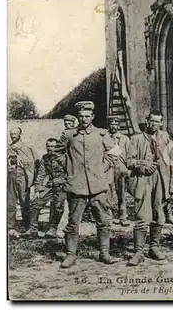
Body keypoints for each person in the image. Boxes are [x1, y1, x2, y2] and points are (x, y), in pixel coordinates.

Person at [59, 101, 120, 268]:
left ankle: (104, 253)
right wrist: (68, 173)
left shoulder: (101, 134)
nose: (84, 119)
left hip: (98, 186)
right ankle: (71, 254)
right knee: (73, 223)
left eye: (87, 116)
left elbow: (115, 152)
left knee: (103, 221)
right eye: (81, 116)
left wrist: (103, 167)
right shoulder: (69, 135)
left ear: (92, 116)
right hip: (76, 186)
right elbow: (58, 156)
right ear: (78, 117)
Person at [126, 111, 173, 266]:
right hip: (143, 179)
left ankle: (154, 247)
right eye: (152, 121)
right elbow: (129, 161)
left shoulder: (165, 137)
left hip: (160, 179)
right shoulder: (136, 138)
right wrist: (142, 165)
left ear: (161, 123)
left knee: (159, 214)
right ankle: (138, 252)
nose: (154, 124)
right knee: (142, 215)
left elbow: (172, 159)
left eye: (158, 122)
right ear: (147, 121)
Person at [22, 138, 67, 238]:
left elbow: (70, 174)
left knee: (58, 207)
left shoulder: (64, 158)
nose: (50, 148)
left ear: (57, 147)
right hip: (50, 185)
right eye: (48, 146)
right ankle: (33, 229)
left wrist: (58, 181)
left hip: (62, 186)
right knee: (35, 203)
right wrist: (38, 189)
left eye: (53, 146)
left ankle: (52, 229)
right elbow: (41, 174)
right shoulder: (45, 158)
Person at [7, 127, 39, 237]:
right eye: (11, 133)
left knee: (24, 201)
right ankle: (10, 225)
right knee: (10, 201)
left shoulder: (28, 146)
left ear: (20, 134)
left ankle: (26, 224)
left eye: (15, 133)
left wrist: (34, 179)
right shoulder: (8, 147)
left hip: (23, 176)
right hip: (11, 176)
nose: (13, 135)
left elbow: (36, 161)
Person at [107, 116, 131, 227]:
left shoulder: (124, 139)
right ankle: (109, 216)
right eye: (111, 124)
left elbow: (129, 154)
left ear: (119, 126)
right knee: (109, 192)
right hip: (108, 167)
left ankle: (123, 216)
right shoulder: (105, 137)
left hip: (120, 168)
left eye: (115, 124)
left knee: (121, 193)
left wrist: (127, 168)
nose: (113, 126)